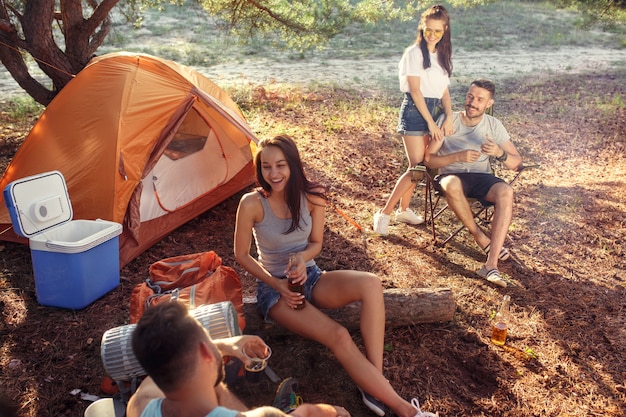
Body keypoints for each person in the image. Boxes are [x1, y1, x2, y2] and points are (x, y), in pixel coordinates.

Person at [234, 135, 436, 417]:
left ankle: (373, 382)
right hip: (277, 291)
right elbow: (241, 254)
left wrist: (302, 260)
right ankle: (407, 412)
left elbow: (316, 243)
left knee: (371, 283)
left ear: (292, 165)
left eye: (280, 165)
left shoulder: (313, 197)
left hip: (312, 277)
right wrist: (278, 284)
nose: (273, 173)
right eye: (266, 167)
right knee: (339, 335)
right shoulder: (252, 203)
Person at [127, 301, 350, 417]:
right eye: (209, 339)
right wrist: (333, 411)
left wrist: (225, 346)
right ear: (205, 353)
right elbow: (311, 412)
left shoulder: (139, 406)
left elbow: (153, 380)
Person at [424, 78, 523, 287]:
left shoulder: (493, 125)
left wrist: (499, 153)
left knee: (506, 191)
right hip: (451, 175)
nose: (472, 102)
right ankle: (479, 237)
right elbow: (429, 159)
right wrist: (456, 156)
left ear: (489, 104)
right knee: (451, 184)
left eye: (480, 99)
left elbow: (516, 162)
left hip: (481, 176)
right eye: (470, 96)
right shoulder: (448, 120)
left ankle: (491, 265)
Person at [373, 4, 454, 235]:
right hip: (415, 111)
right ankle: (385, 212)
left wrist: (448, 116)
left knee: (423, 165)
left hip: (435, 111)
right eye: (428, 30)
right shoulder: (414, 54)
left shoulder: (443, 54)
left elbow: (445, 92)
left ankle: (404, 210)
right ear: (422, 27)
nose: (432, 35)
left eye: (437, 31)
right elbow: (416, 92)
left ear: (445, 30)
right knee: (418, 168)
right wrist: (429, 122)